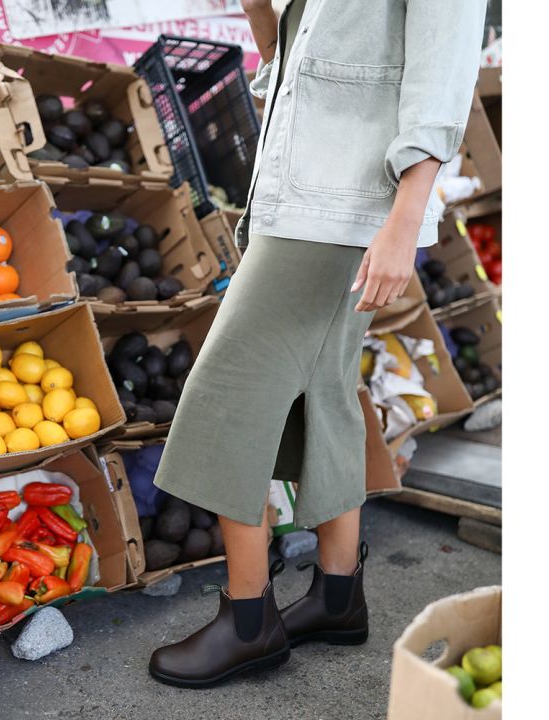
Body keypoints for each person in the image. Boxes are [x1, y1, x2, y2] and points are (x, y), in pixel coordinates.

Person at [148, 0, 487, 688]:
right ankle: (338, 595)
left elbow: (441, 72)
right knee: (325, 389)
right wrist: (259, 13)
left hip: (341, 206)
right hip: (309, 199)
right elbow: (301, 77)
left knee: (227, 393)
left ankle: (249, 620)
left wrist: (405, 217)